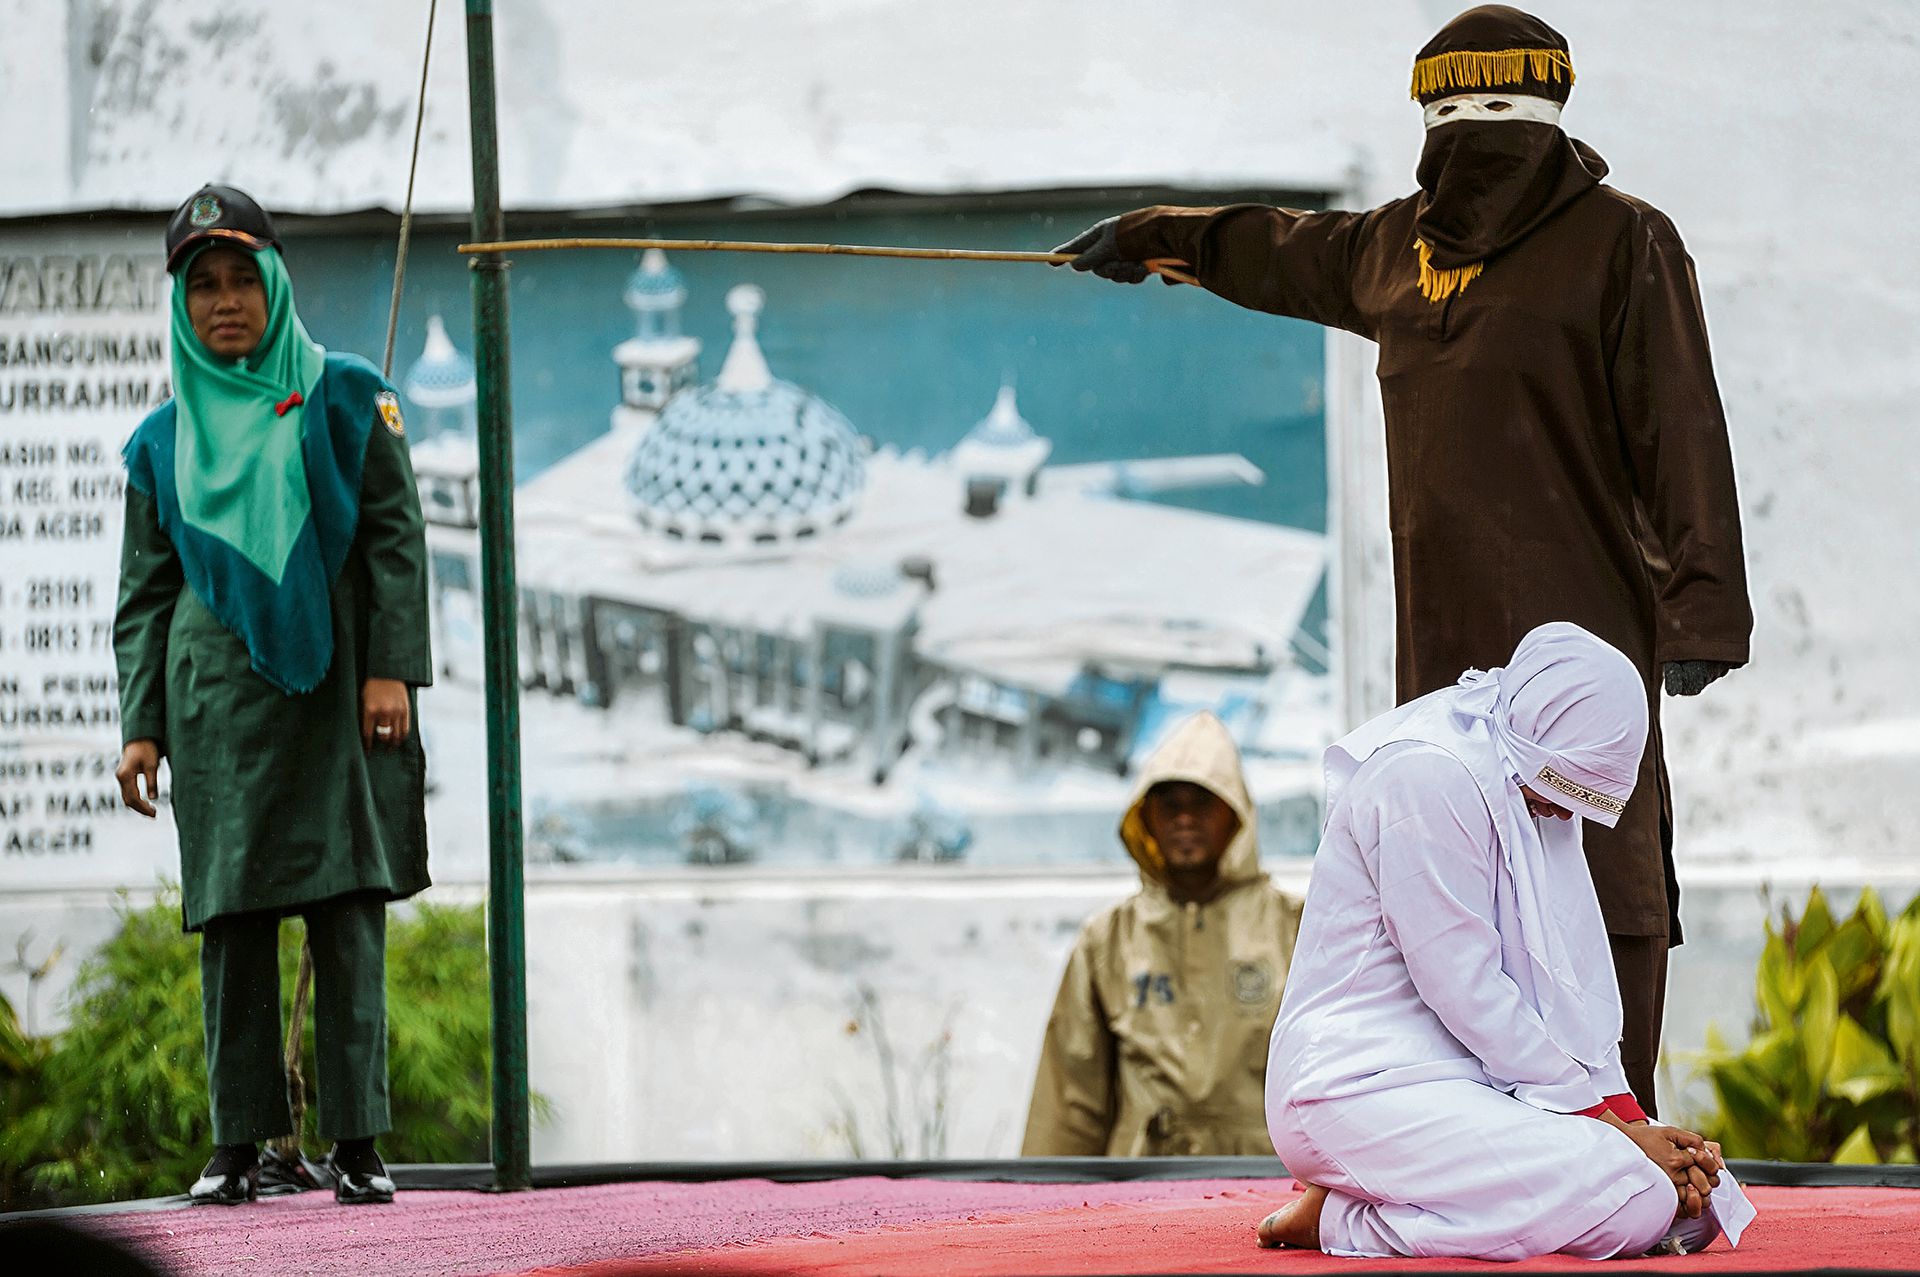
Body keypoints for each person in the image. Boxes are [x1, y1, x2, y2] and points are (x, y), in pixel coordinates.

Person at [1053, 5, 1753, 1115]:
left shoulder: (1624, 241)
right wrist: (1150, 236)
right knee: (1443, 898)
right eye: (1454, 120)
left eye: (1492, 119)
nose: (1474, 144)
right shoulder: (1393, 249)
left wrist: (1702, 611)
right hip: (1442, 667)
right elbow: (1278, 248)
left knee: (1594, 876)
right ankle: (1459, 1149)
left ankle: (1619, 1149)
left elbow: (1680, 419)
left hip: (1578, 649)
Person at [113, 184, 433, 1206]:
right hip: (215, 709)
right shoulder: (160, 444)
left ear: (277, 282)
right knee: (233, 921)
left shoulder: (347, 395)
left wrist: (392, 669)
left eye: (243, 276)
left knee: (348, 911)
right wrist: (141, 728)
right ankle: (237, 1141)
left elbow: (394, 537)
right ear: (181, 304)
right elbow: (145, 595)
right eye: (201, 283)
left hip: (340, 696)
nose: (223, 301)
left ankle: (358, 1139)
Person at [1257, 623, 1755, 1260]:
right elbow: (1466, 990)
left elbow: (1558, 992)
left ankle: (1408, 1201)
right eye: (1563, 789)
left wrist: (1631, 1121)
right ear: (1534, 739)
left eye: (1583, 800)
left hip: (1473, 1079)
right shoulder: (1424, 778)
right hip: (1355, 1088)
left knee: (1695, 1193)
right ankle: (1342, 1221)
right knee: (1635, 1195)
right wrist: (1612, 1130)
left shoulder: (1526, 777)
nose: (1564, 814)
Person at [1021, 712, 1304, 1156]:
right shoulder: (1108, 940)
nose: (1185, 819)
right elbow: (1071, 1099)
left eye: (1203, 802)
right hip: (1139, 1185)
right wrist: (1042, 1211)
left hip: (1266, 1181)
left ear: (1236, 815)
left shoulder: (1294, 926)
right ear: (1146, 818)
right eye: (1170, 804)